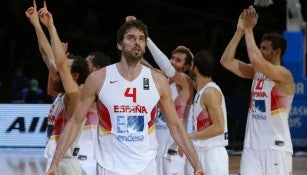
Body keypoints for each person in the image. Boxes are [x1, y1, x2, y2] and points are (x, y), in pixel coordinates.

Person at [46, 17, 205, 175]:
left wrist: (197, 165)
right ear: (119, 44)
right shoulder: (98, 79)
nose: (137, 42)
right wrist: (54, 163)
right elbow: (74, 122)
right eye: (131, 38)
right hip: (109, 167)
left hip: (146, 166)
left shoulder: (158, 81)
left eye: (141, 39)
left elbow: (176, 126)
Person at [220, 6, 294, 175]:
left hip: (276, 147)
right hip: (251, 147)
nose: (259, 51)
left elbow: (257, 60)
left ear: (277, 52)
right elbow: (226, 61)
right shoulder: (256, 72)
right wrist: (239, 31)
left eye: (264, 48)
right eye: (259, 47)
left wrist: (249, 29)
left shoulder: (284, 75)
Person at [25, 1, 89, 174]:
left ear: (74, 76)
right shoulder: (62, 94)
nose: (60, 68)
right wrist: (37, 25)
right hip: (56, 160)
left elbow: (59, 63)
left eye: (66, 68)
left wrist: (51, 27)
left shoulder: (76, 94)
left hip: (66, 163)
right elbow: (48, 57)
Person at [146, 41, 194, 174]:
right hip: (158, 150)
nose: (172, 62)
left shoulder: (185, 82)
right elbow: (148, 68)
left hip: (174, 149)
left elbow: (166, 69)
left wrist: (147, 39)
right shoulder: (163, 81)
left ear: (186, 67)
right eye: (171, 58)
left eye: (178, 60)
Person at [185, 50, 229, 175]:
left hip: (212, 154)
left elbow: (219, 127)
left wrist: (188, 137)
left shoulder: (210, 92)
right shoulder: (201, 89)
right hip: (201, 151)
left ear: (196, 69)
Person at [77, 51, 111, 175]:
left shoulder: (108, 93)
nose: (82, 67)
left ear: (96, 69)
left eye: (86, 64)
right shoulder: (82, 88)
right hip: (87, 156)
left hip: (99, 158)